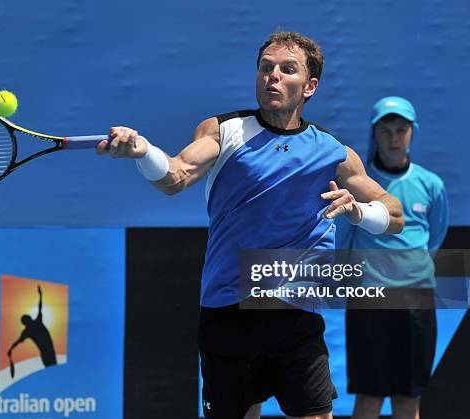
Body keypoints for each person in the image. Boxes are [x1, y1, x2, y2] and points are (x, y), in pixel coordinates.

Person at [97, 31, 404, 419]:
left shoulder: (332, 152)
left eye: (286, 69)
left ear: (309, 86)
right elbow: (175, 176)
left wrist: (359, 210)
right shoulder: (223, 131)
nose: (272, 76)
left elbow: (394, 215)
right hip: (229, 314)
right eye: (265, 67)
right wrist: (143, 152)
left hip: (296, 314)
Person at [338, 97, 449, 419]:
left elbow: (435, 237)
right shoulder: (359, 185)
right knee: (369, 399)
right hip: (369, 301)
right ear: (375, 134)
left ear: (412, 133)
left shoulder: (431, 185)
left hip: (417, 301)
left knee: (408, 400)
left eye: (401, 129)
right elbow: (344, 241)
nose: (394, 137)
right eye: (386, 130)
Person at [8, 284, 57, 368]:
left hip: (46, 353)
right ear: (29, 319)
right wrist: (40, 295)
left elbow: (17, 342)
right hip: (49, 352)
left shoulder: (27, 331)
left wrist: (11, 349)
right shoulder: (37, 322)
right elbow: (40, 307)